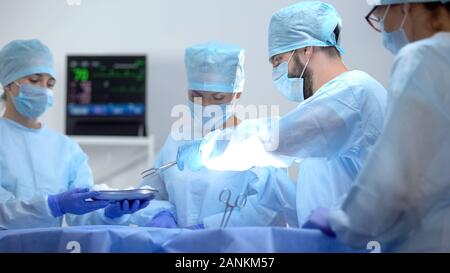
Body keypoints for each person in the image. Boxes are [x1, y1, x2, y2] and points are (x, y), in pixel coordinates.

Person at [176, 1, 388, 227]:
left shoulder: (353, 93)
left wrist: (208, 148)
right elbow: (320, 193)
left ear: (306, 49)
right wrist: (273, 190)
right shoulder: (335, 100)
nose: (276, 73)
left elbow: (272, 141)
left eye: (278, 61)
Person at [303, 0, 450, 252]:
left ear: (405, 7)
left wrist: (341, 221)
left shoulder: (424, 58)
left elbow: (396, 185)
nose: (382, 29)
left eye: (379, 17)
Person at [129, 42, 292, 228]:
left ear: (237, 93)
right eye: (196, 95)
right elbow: (149, 194)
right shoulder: (176, 140)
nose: (205, 105)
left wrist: (208, 228)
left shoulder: (257, 144)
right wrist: (161, 213)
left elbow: (268, 209)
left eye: (218, 98)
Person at [0, 39, 149, 229]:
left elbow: (83, 217)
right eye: (34, 80)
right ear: (8, 83)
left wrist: (111, 213)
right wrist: (53, 205)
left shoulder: (66, 149)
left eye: (50, 83)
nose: (44, 90)